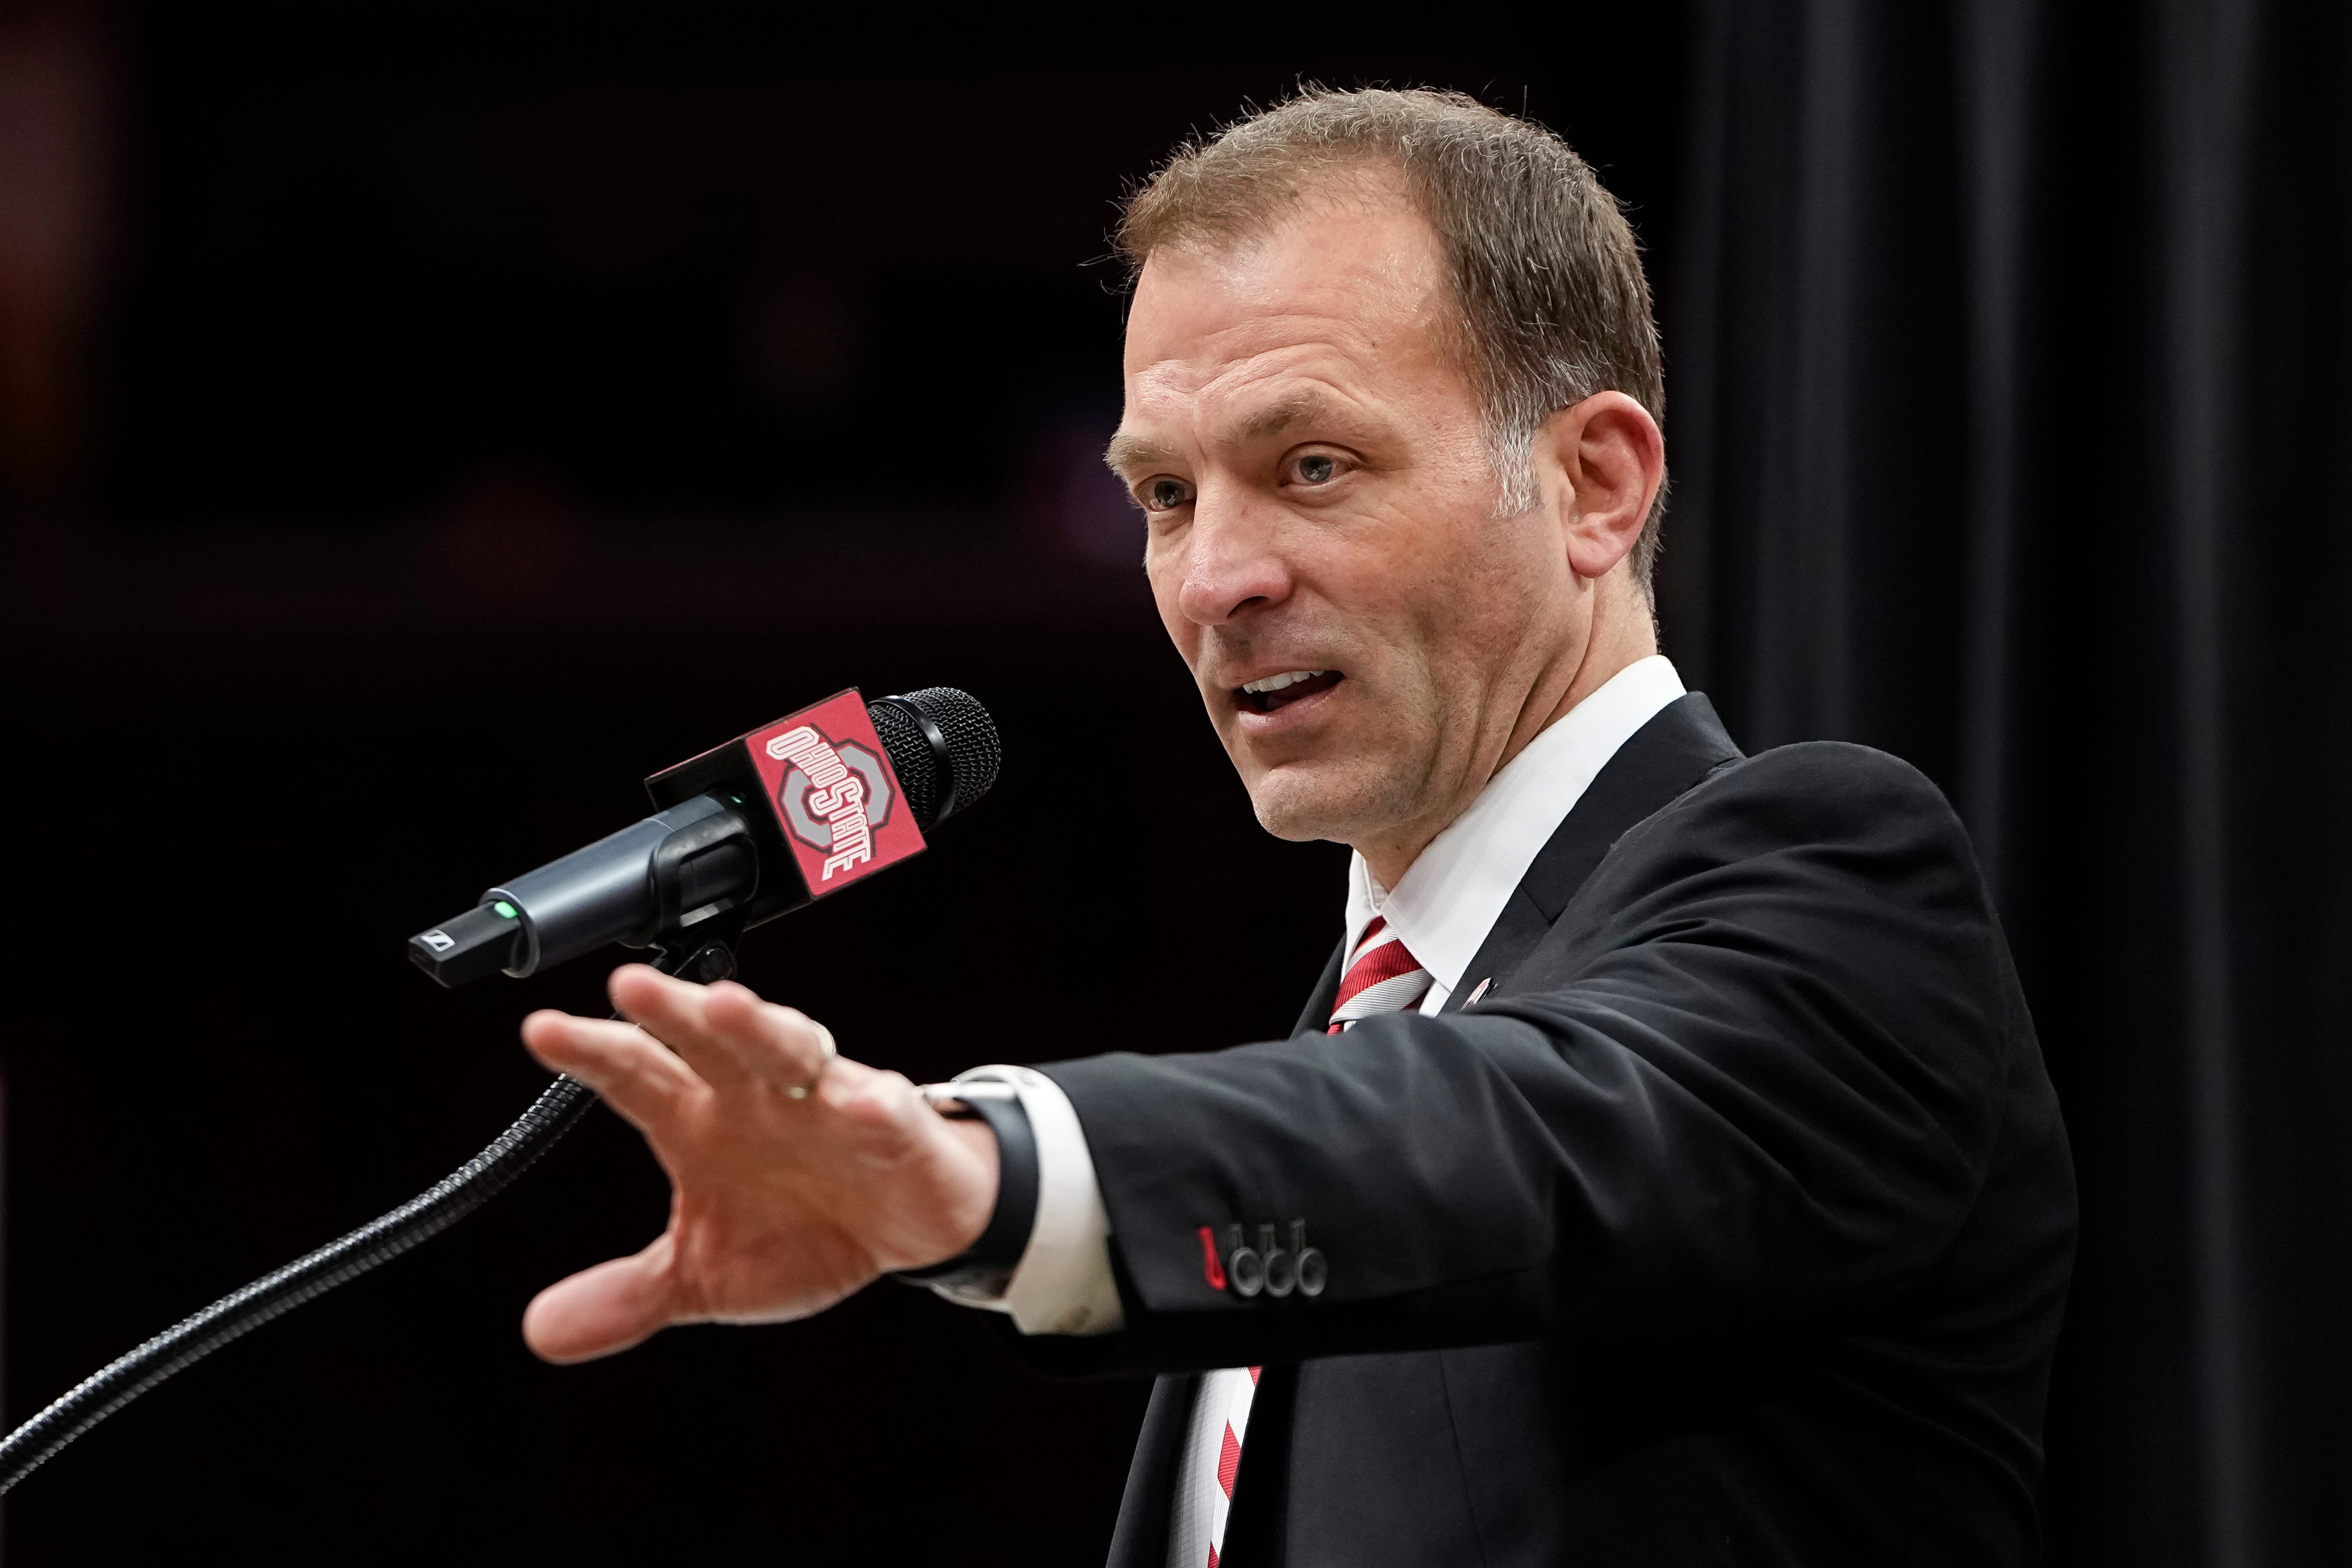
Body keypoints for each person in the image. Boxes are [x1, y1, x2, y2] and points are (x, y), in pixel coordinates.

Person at [515, 89, 2077, 1567]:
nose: (1213, 582)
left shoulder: (1833, 884)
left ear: (1592, 483)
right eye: (1167, 497)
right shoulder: (1353, 1028)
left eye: (1310, 466)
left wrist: (987, 1172)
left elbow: (1500, 1141)